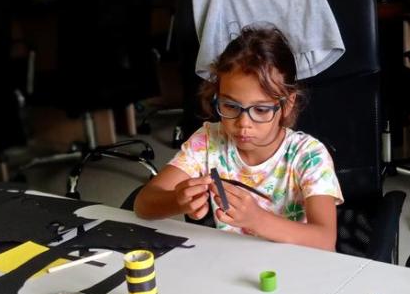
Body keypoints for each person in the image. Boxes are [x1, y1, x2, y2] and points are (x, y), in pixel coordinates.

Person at [134, 25, 341, 251]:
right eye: (230, 106)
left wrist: (257, 220)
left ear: (287, 105)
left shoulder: (309, 156)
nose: (243, 123)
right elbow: (143, 204)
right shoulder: (207, 141)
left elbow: (325, 240)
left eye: (261, 110)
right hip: (229, 261)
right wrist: (177, 201)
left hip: (293, 265)